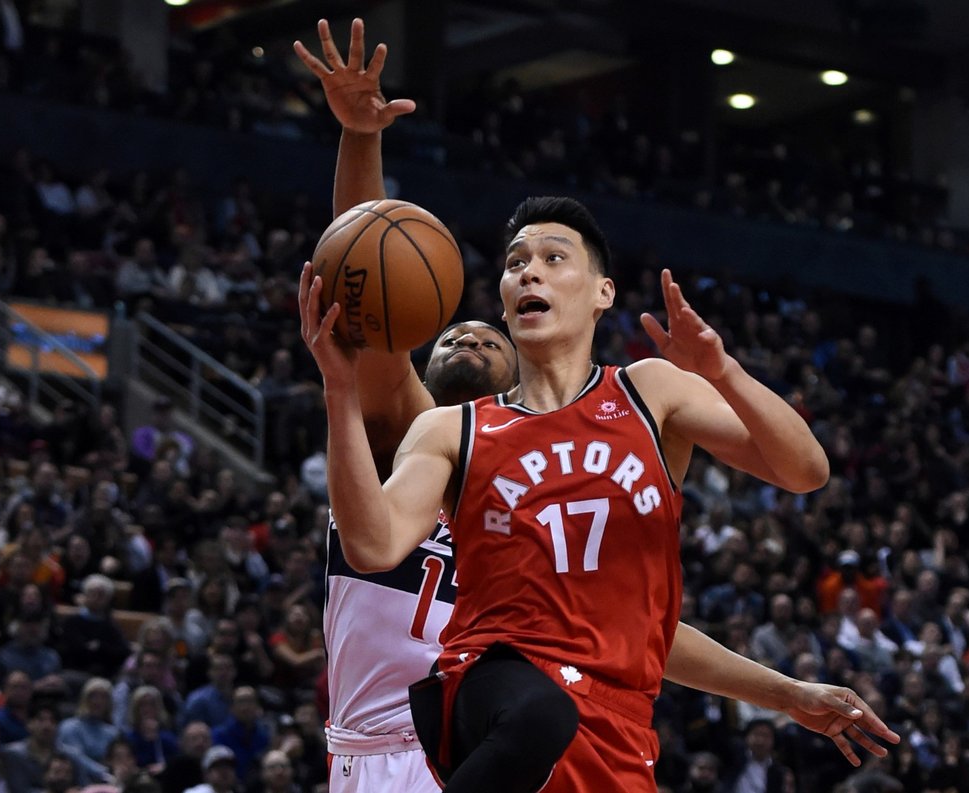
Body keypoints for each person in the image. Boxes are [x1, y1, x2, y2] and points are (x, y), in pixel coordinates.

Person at [295, 16, 899, 793]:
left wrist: (782, 691)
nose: (473, 337)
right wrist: (360, 143)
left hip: (572, 736)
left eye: (551, 260)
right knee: (533, 713)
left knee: (548, 713)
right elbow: (366, 279)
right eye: (460, 329)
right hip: (409, 741)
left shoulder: (626, 408)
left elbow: (641, 626)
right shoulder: (429, 431)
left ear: (597, 296)